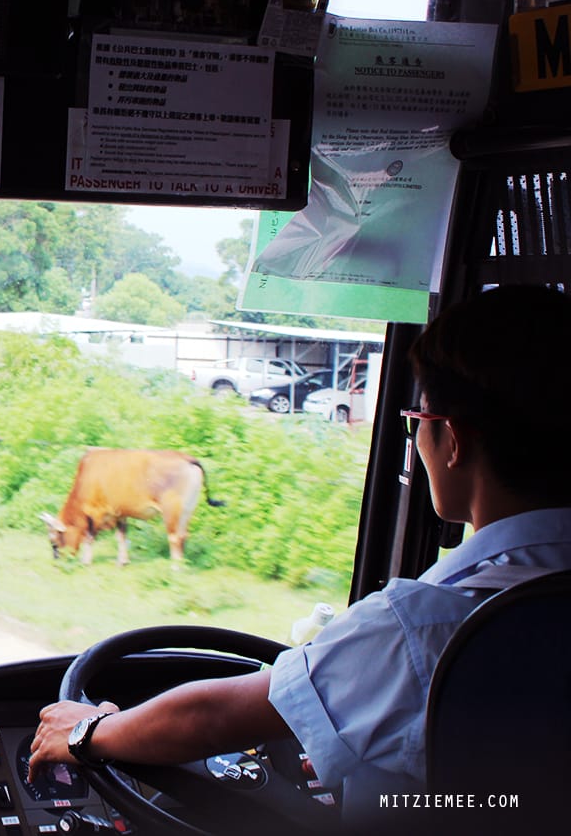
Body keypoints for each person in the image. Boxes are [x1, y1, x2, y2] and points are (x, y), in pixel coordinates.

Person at [29, 284, 571, 824]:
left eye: (416, 423)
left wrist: (86, 731)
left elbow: (214, 718)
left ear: (452, 440)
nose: (416, 442)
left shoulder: (423, 627)